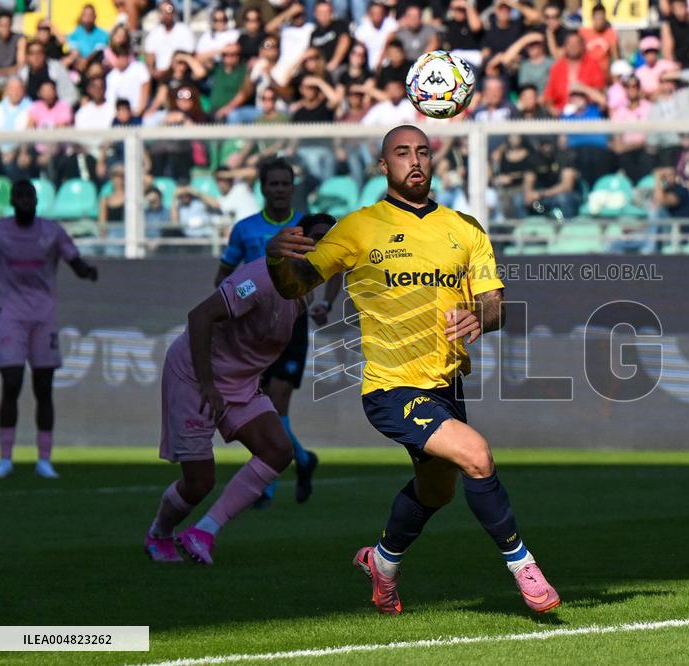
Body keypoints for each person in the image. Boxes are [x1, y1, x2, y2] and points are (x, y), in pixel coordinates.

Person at [265, 124, 561, 614]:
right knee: (477, 455)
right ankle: (524, 569)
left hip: (446, 383)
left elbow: (496, 306)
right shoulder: (358, 227)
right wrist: (275, 259)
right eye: (401, 153)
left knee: (436, 491)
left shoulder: (465, 228)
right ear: (384, 166)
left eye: (422, 151)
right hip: (390, 386)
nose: (414, 160)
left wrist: (479, 317)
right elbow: (295, 286)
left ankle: (381, 563)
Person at [144, 215, 335, 564]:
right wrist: (207, 385)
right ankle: (158, 533)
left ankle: (203, 532)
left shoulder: (301, 293)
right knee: (199, 482)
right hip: (195, 375)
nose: (324, 248)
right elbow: (199, 317)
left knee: (278, 450)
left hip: (241, 383)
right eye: (317, 240)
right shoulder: (260, 278)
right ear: (297, 242)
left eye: (330, 243)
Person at [216, 158, 336, 506]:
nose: (280, 190)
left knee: (276, 401)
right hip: (254, 331)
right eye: (274, 184)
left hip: (292, 324)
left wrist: (324, 304)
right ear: (263, 188)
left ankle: (265, 487)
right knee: (261, 405)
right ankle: (301, 458)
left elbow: (334, 268)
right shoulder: (245, 229)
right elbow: (223, 275)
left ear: (292, 187)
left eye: (285, 184)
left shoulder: (309, 226)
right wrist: (228, 311)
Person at [0, 181, 98, 480]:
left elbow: (74, 260)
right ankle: (5, 459)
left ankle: (44, 459)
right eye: (20, 197)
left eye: (30, 197)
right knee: (11, 383)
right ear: (12, 201)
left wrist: (87, 271)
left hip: (43, 317)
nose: (25, 202)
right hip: (9, 315)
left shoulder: (51, 231)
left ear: (36, 201)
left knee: (43, 387)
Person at [145, 1, 196, 82]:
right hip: (160, 77)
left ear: (174, 12)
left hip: (180, 75)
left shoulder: (184, 30)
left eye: (168, 11)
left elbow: (189, 54)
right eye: (162, 11)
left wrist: (169, 70)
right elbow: (149, 57)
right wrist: (153, 72)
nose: (165, 15)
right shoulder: (154, 33)